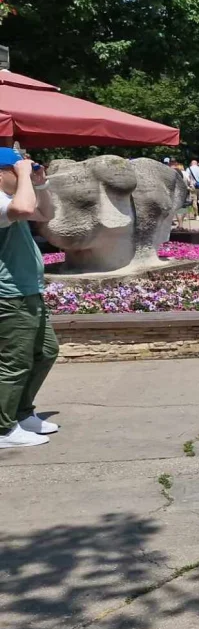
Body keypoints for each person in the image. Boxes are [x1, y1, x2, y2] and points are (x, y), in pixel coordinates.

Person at [0, 149, 60, 449]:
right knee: (14, 363)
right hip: (9, 294)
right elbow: (24, 210)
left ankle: (21, 414)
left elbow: (46, 214)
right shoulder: (2, 201)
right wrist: (24, 174)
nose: (25, 171)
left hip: (27, 290)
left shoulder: (11, 198)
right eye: (17, 169)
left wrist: (41, 184)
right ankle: (3, 428)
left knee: (46, 351)